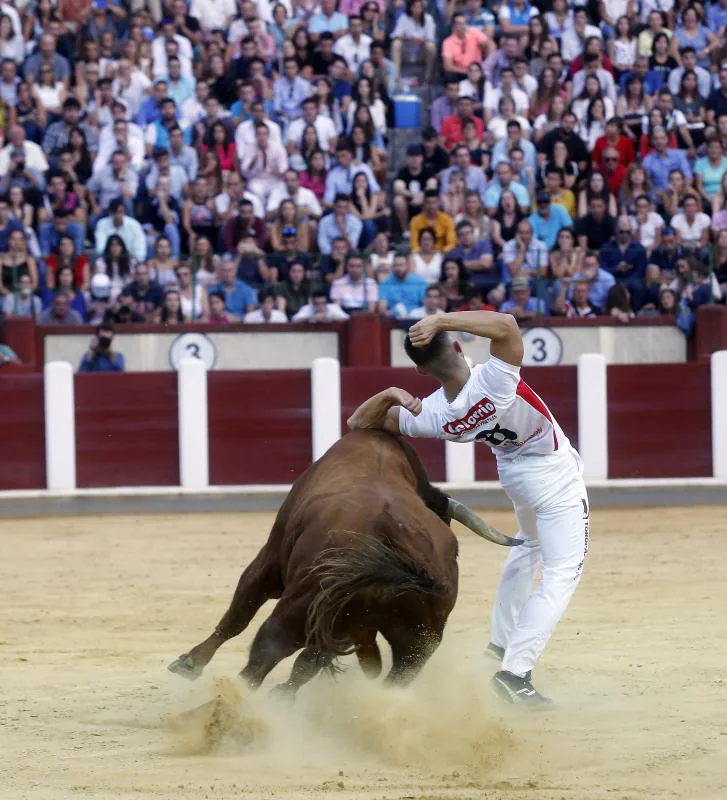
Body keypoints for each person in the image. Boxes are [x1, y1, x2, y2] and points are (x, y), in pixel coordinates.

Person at [347, 309, 589, 706]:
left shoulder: (435, 415)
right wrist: (442, 320)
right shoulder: (494, 380)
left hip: (515, 475)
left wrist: (391, 394)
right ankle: (515, 673)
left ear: (422, 372)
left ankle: (499, 644)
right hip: (551, 474)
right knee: (561, 574)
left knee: (529, 548)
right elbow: (506, 325)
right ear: (459, 346)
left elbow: (359, 421)